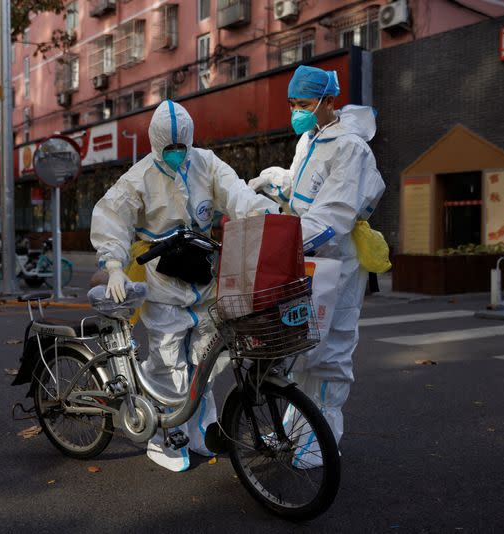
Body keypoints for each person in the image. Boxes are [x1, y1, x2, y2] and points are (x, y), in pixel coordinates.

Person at [91, 100, 278, 472]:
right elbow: (113, 219)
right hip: (163, 281)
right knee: (168, 362)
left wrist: (266, 216)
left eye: (182, 147)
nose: (177, 154)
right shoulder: (139, 178)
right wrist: (114, 265)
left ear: (190, 142)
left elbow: (236, 194)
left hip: (203, 279)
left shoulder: (206, 163)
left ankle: (200, 429)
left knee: (205, 361)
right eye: (169, 148)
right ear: (156, 143)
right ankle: (164, 437)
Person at [249, 65, 386, 454]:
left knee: (332, 351)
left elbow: (333, 215)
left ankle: (318, 443)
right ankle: (296, 431)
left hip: (336, 259)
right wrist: (271, 181)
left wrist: (279, 245)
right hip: (307, 257)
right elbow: (303, 185)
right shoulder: (311, 137)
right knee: (303, 347)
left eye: (305, 104)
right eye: (292, 104)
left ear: (329, 101)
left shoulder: (351, 147)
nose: (297, 112)